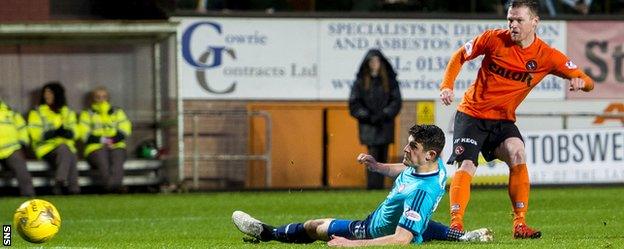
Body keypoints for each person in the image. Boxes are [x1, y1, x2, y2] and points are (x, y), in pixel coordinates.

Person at [439, 0, 594, 239]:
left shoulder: (547, 56)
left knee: (518, 152)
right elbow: (459, 56)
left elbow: (587, 80)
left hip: (502, 120)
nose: (512, 24)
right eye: (510, 19)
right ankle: (456, 224)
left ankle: (520, 225)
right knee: (467, 165)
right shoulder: (493, 39)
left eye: (519, 20)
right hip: (472, 114)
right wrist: (447, 86)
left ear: (534, 22)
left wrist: (580, 83)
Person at [232, 124, 493, 246]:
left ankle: (267, 233)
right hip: (403, 219)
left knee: (315, 226)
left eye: (412, 146)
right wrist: (378, 166)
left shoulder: (420, 194)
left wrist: (350, 244)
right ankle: (465, 236)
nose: (405, 148)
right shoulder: (433, 169)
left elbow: (402, 239)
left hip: (371, 230)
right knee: (422, 224)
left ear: (430, 155)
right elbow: (406, 170)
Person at [348, 49, 402, 190]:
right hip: (369, 126)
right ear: (367, 64)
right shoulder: (360, 82)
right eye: (371, 61)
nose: (374, 64)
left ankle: (379, 187)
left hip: (384, 125)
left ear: (381, 63)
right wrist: (367, 115)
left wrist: (384, 114)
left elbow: (396, 102)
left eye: (377, 61)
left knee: (383, 155)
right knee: (371, 154)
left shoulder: (390, 81)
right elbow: (354, 104)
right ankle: (372, 186)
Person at [28, 82, 80, 195]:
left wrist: (66, 132)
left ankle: (72, 190)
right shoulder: (37, 112)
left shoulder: (67, 112)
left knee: (69, 153)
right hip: (46, 148)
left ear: (57, 94)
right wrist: (53, 133)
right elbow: (35, 134)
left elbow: (76, 132)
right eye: (45, 93)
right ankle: (62, 182)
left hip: (65, 149)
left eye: (50, 93)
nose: (47, 96)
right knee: (65, 149)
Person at [79, 86, 132, 193]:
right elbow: (83, 134)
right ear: (93, 99)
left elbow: (126, 128)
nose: (101, 99)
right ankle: (115, 188)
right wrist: (103, 140)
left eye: (104, 96)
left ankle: (110, 188)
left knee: (117, 159)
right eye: (98, 97)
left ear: (108, 98)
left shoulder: (117, 112)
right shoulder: (87, 114)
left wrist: (112, 140)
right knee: (102, 160)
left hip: (116, 145)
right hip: (95, 147)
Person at [0, 99, 35, 196]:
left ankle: (29, 197)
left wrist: (23, 144)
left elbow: (22, 128)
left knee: (21, 169)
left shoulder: (11, 112)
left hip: (12, 149)